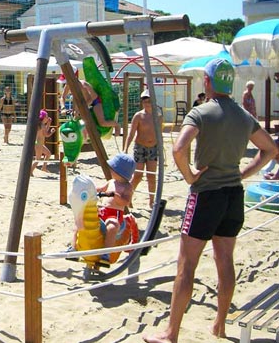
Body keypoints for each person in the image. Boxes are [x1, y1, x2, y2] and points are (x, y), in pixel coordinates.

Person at [143, 58, 277, 343]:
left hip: (206, 195)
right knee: (225, 260)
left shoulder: (201, 113)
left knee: (186, 265)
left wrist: (190, 176)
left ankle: (171, 333)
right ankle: (219, 325)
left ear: (207, 81)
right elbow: (270, 149)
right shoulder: (244, 116)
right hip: (233, 195)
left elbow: (179, 149)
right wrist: (244, 172)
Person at [124, 89, 162, 208]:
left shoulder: (158, 115)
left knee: (151, 175)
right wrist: (125, 149)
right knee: (138, 175)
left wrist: (161, 149)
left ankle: (152, 201)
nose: (147, 103)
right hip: (140, 147)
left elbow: (159, 133)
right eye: (145, 100)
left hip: (153, 148)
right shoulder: (139, 116)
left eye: (149, 100)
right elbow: (131, 134)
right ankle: (128, 197)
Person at [96, 154, 135, 263]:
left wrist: (116, 195)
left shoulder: (127, 187)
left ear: (121, 173)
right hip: (102, 211)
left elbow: (126, 202)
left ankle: (106, 253)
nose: (110, 171)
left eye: (113, 169)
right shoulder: (111, 182)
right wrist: (91, 188)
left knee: (112, 227)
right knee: (84, 216)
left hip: (115, 215)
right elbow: (100, 189)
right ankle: (75, 245)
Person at [31, 110, 55, 175]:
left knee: (48, 154)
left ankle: (44, 167)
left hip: (38, 143)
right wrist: (52, 131)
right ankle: (30, 171)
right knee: (38, 159)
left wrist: (48, 123)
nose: (48, 118)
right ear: (43, 117)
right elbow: (46, 134)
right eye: (46, 117)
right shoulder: (42, 125)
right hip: (39, 144)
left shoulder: (40, 124)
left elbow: (44, 131)